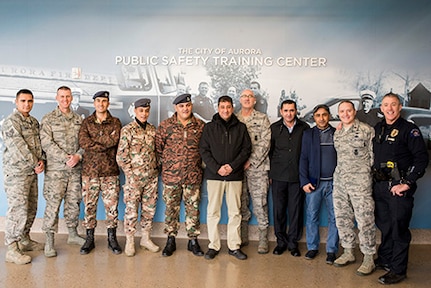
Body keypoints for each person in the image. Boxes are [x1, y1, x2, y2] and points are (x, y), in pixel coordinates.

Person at [372, 92, 428, 285]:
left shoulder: (408, 130)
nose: (390, 108)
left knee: (398, 229)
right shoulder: (378, 128)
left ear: (400, 107)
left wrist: (408, 182)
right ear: (381, 108)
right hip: (379, 186)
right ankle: (385, 258)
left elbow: (421, 159)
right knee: (385, 226)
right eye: (386, 105)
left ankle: (398, 270)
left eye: (393, 104)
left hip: (398, 188)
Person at [199, 95, 251, 260]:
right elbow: (204, 150)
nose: (225, 110)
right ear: (218, 108)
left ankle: (234, 246)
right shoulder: (209, 128)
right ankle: (213, 246)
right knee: (213, 212)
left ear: (232, 107)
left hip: (234, 176)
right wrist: (217, 168)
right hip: (214, 176)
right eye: (222, 107)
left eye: (228, 107)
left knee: (235, 212)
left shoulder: (241, 127)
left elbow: (246, 150)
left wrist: (232, 166)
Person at [156, 93, 205, 257]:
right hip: (171, 178)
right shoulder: (166, 126)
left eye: (188, 105)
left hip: (193, 176)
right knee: (171, 210)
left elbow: (205, 151)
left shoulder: (200, 126)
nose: (185, 109)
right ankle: (171, 240)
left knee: (193, 210)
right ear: (175, 107)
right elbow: (158, 150)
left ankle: (193, 241)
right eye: (181, 106)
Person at [40, 86, 86, 258]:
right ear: (56, 98)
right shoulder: (49, 119)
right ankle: (49, 241)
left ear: (71, 98)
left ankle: (72, 234)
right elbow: (46, 143)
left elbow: (84, 143)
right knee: (53, 205)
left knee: (73, 202)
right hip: (56, 171)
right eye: (62, 96)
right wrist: (65, 157)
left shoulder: (78, 120)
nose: (65, 99)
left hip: (74, 170)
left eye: (68, 96)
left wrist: (78, 156)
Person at [332, 100, 376, 276]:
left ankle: (368, 257)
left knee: (365, 219)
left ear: (354, 111)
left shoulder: (366, 130)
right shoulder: (338, 132)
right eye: (342, 111)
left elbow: (373, 157)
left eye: (348, 110)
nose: (345, 114)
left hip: (360, 183)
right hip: (341, 181)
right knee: (343, 218)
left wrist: (363, 174)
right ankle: (348, 251)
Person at [2, 89, 45, 265]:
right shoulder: (11, 122)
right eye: (23, 101)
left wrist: (41, 160)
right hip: (17, 174)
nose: (26, 104)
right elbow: (19, 148)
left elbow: (39, 144)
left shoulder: (33, 122)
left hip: (32, 173)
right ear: (16, 102)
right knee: (18, 210)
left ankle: (24, 240)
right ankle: (12, 248)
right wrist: (36, 162)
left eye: (29, 101)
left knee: (31, 207)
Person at [78, 90, 123, 255]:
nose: (101, 104)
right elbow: (84, 142)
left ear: (108, 103)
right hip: (90, 172)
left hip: (110, 172)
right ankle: (90, 238)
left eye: (104, 101)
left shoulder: (116, 122)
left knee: (112, 208)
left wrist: (95, 142)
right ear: (94, 103)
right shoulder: (87, 122)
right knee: (89, 207)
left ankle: (112, 238)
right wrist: (104, 144)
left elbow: (115, 140)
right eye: (98, 101)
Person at [116, 98, 160, 257]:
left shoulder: (152, 130)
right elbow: (121, 156)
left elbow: (157, 152)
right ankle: (130, 240)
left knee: (149, 210)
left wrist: (156, 168)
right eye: (141, 111)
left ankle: (145, 239)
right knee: (131, 211)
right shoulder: (128, 130)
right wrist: (130, 173)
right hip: (134, 178)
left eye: (147, 111)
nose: (144, 114)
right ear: (135, 111)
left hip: (151, 178)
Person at [299, 104, 339, 264]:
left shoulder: (337, 134)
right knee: (312, 216)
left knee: (335, 217)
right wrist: (304, 181)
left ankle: (331, 250)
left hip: (335, 184)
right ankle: (313, 247)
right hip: (314, 184)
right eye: (318, 115)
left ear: (329, 116)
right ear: (314, 118)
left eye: (324, 115)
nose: (321, 118)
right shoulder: (308, 134)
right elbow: (303, 159)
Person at [269, 100, 309, 257]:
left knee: (295, 211)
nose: (289, 114)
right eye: (286, 110)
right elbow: (270, 152)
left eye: (291, 110)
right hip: (278, 176)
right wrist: (272, 172)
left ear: (296, 111)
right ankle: (280, 242)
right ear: (281, 111)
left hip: (297, 177)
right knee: (278, 211)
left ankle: (293, 243)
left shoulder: (304, 128)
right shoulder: (274, 128)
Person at [236, 89, 271, 254]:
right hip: (237, 170)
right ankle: (242, 236)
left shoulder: (262, 119)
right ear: (240, 99)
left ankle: (263, 238)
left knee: (260, 203)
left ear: (255, 100)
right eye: (244, 96)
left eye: (250, 96)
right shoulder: (234, 118)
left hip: (258, 168)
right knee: (240, 203)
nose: (247, 99)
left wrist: (251, 161)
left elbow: (266, 143)